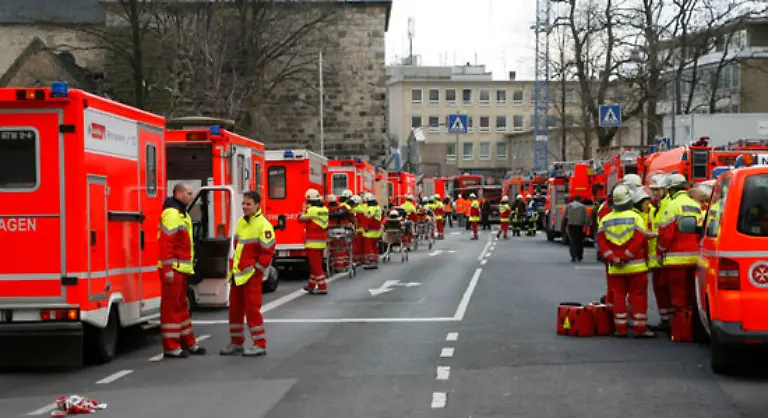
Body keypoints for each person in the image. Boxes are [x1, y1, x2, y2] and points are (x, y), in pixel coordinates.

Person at [219, 191, 274, 357]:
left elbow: (267, 252)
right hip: (238, 274)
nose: (244, 206)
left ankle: (259, 344)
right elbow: (238, 248)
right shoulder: (241, 222)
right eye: (243, 203)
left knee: (252, 310)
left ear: (257, 205)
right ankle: (236, 342)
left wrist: (257, 271)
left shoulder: (263, 225)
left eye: (248, 204)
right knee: (235, 310)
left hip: (251, 275)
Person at [597, 184, 655, 338]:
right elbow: (639, 240)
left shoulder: (605, 220)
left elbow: (602, 243)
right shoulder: (636, 217)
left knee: (618, 297)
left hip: (615, 268)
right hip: (636, 266)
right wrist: (626, 257)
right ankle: (640, 328)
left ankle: (620, 328)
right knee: (638, 296)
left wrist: (613, 258)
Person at [157, 182, 206, 358]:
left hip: (180, 268)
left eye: (192, 194)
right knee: (172, 308)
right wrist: (168, 269)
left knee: (182, 306)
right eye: (188, 194)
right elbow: (166, 243)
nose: (192, 197)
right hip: (174, 269)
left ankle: (188, 342)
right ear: (178, 194)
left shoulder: (180, 213)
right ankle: (172, 346)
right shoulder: (172, 214)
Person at [657, 173, 702, 341]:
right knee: (693, 298)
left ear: (671, 189)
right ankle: (694, 331)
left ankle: (681, 332)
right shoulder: (695, 205)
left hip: (676, 261)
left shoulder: (672, 206)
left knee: (678, 299)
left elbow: (666, 234)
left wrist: (660, 251)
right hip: (694, 259)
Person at [647, 174, 671, 331]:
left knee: (666, 290)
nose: (655, 193)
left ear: (666, 190)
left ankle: (671, 321)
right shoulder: (655, 206)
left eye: (658, 190)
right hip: (656, 256)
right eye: (653, 190)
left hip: (665, 255)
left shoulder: (668, 205)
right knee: (659, 290)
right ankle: (665, 320)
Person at [300, 188, 329, 295]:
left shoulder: (311, 210)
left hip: (312, 244)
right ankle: (311, 285)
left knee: (316, 266)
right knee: (315, 265)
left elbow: (300, 218)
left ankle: (322, 286)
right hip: (321, 242)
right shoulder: (325, 209)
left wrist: (303, 209)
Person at [564, 195, 589, 262]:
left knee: (572, 241)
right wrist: (586, 227)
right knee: (579, 241)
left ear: (574, 199)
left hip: (571, 225)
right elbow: (586, 218)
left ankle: (573, 256)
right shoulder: (583, 207)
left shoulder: (569, 206)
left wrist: (563, 226)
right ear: (580, 199)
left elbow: (564, 216)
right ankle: (579, 256)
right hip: (579, 226)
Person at [363, 193, 383, 269]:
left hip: (370, 232)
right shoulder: (378, 207)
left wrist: (365, 227)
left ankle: (371, 262)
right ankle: (375, 260)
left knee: (369, 248)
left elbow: (368, 219)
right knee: (375, 246)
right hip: (377, 231)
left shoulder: (371, 209)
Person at [350, 195, 366, 265]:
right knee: (363, 246)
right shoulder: (364, 207)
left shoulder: (355, 209)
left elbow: (354, 219)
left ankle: (357, 260)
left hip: (358, 230)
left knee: (357, 247)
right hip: (364, 230)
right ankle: (362, 260)